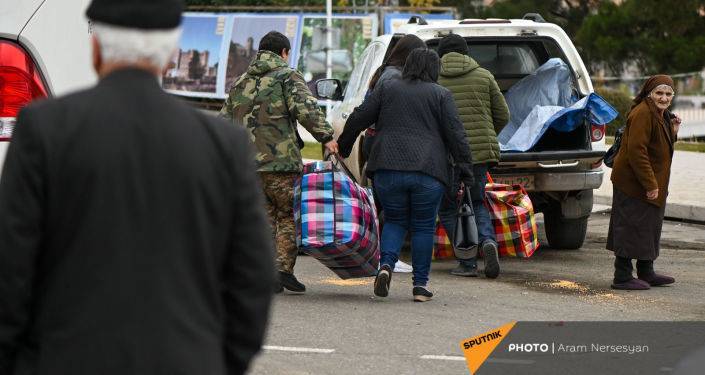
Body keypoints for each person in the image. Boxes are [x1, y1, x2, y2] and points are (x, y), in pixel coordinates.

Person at [0, 0, 275, 374]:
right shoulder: (224, 144)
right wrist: (220, 362)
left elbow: (12, 268)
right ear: (169, 57)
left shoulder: (43, 129)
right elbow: (252, 277)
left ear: (95, 50)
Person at [337, 48, 474, 302]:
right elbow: (457, 136)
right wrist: (466, 171)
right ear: (434, 69)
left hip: (387, 169)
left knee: (395, 220)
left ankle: (386, 266)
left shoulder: (388, 88)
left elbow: (359, 117)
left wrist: (343, 147)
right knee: (422, 226)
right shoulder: (441, 95)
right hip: (428, 172)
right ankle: (420, 286)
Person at [220, 31, 338, 294]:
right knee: (287, 214)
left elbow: (224, 121)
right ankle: (282, 271)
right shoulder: (287, 76)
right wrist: (326, 136)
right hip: (280, 162)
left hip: (247, 165)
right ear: (283, 52)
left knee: (262, 216)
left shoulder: (240, 81)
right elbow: (305, 108)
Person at [435, 34, 510, 279]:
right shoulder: (484, 75)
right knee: (476, 202)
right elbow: (503, 115)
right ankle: (487, 241)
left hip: (446, 155)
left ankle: (467, 262)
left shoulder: (433, 78)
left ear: (441, 54)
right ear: (466, 52)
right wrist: (487, 135)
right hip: (478, 153)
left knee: (448, 207)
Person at [608, 74, 679, 290]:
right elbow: (637, 152)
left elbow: (658, 145)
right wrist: (650, 184)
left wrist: (673, 132)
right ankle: (622, 276)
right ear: (649, 94)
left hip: (650, 181)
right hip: (633, 182)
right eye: (659, 93)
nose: (664, 98)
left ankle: (646, 271)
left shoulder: (661, 114)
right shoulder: (643, 113)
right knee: (630, 226)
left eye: (668, 94)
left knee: (648, 226)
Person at [362, 34, 426, 159]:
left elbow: (368, 107)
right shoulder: (397, 78)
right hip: (386, 142)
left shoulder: (383, 71)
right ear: (411, 56)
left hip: (375, 138)